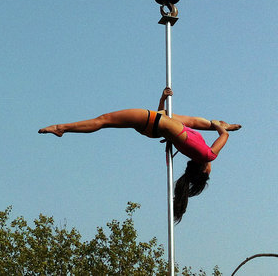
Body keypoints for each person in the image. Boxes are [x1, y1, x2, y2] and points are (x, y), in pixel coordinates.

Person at [38, 88, 241, 222]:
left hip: (154, 123)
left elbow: (224, 136)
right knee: (193, 122)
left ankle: (61, 128)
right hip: (156, 125)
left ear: (203, 169)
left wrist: (220, 127)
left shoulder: (207, 156)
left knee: (104, 120)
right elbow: (172, 120)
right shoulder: (195, 150)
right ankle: (61, 128)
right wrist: (162, 100)